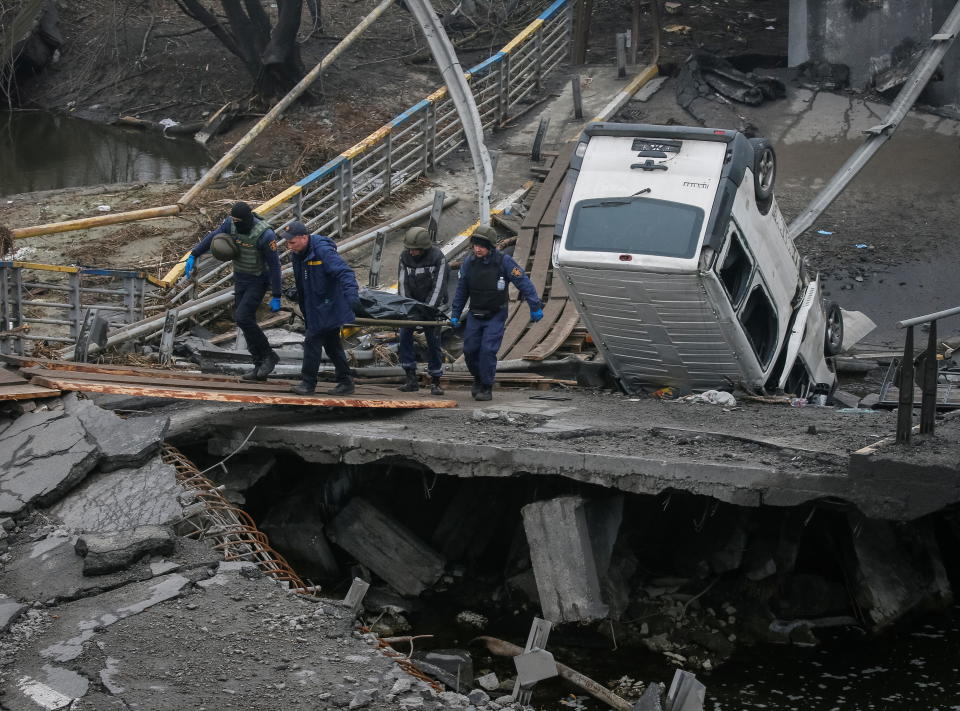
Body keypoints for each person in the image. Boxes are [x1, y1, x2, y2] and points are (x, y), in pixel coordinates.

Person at [185, 201, 282, 381]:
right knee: (243, 320)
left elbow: (275, 266)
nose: (235, 223)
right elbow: (215, 235)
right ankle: (258, 364)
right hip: (240, 278)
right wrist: (194, 253)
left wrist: (277, 295)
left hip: (258, 280)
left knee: (243, 317)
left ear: (246, 218)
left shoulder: (265, 234)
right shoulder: (230, 224)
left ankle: (269, 356)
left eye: (239, 220)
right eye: (233, 220)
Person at [450, 225, 543, 401]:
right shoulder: (468, 264)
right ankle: (478, 378)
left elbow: (523, 282)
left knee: (487, 350)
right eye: (475, 245)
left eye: (482, 245)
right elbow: (461, 290)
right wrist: (455, 313)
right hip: (475, 314)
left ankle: (486, 386)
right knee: (469, 351)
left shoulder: (504, 262)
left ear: (490, 246)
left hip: (495, 314)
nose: (478, 249)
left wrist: (534, 306)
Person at [281, 221, 359, 396]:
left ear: (304, 237)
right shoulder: (298, 254)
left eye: (292, 242)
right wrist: (296, 293)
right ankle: (346, 381)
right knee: (332, 345)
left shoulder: (322, 251)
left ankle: (308, 383)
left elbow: (345, 272)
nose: (289, 246)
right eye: (287, 243)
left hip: (328, 305)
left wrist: (352, 297)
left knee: (312, 342)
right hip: (313, 305)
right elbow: (305, 280)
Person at [396, 226, 450, 396]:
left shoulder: (438, 258)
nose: (412, 253)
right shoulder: (404, 257)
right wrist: (409, 308)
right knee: (404, 337)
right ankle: (410, 377)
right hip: (412, 306)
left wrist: (428, 309)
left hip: (432, 307)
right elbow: (403, 284)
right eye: (410, 249)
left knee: (433, 342)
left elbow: (439, 286)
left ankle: (435, 380)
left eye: (415, 250)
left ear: (423, 248)